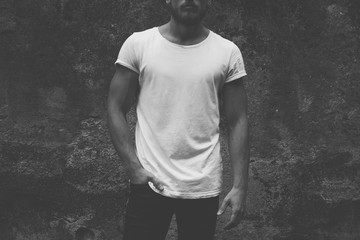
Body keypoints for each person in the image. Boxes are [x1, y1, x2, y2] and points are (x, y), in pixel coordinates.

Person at [107, 0, 249, 239]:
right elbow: (114, 107)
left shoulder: (227, 52)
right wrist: (134, 168)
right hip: (149, 181)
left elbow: (238, 120)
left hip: (202, 185)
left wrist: (240, 187)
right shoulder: (139, 44)